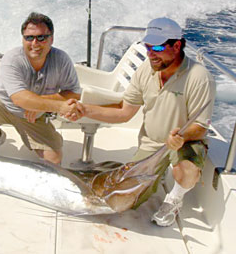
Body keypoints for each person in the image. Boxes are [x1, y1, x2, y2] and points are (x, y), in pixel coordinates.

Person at [68, 17, 216, 227]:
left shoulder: (199, 77)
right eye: (147, 46)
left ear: (176, 45)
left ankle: (174, 199)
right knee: (124, 203)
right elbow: (124, 112)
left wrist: (181, 136)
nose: (150, 53)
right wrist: (85, 110)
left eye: (156, 46)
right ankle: (131, 171)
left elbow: (201, 127)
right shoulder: (147, 69)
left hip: (184, 141)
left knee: (185, 171)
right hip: (151, 143)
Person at [0, 12, 81, 164]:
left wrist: (41, 105)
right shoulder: (12, 58)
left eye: (41, 37)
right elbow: (19, 98)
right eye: (29, 37)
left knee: (54, 160)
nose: (35, 43)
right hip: (1, 102)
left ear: (51, 39)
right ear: (23, 39)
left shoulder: (62, 59)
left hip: (34, 114)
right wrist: (54, 105)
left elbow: (74, 93)